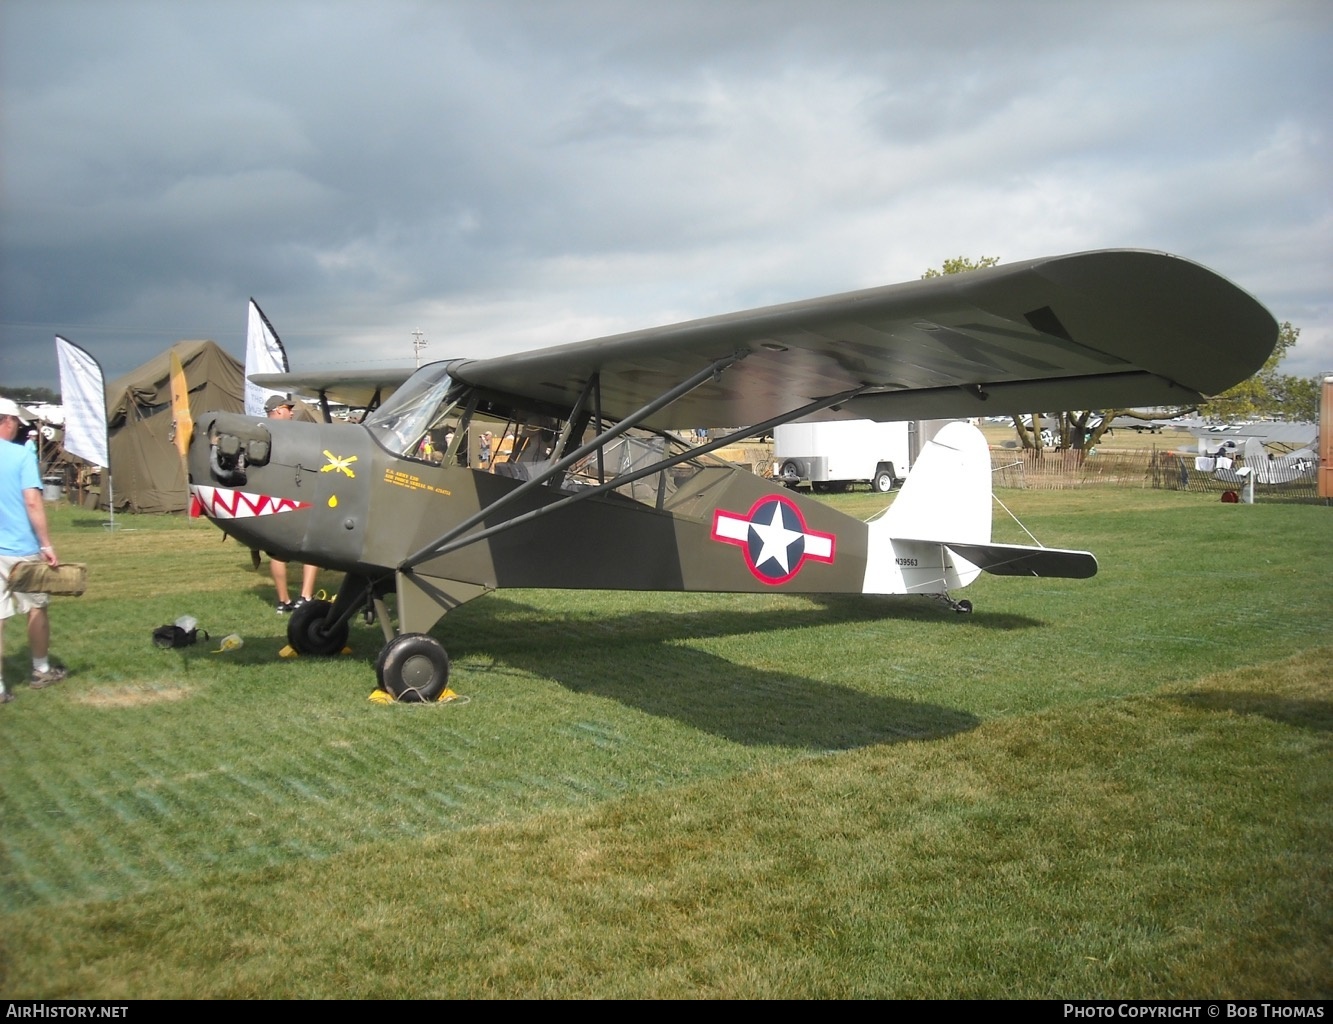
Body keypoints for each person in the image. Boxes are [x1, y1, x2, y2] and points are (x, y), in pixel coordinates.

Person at [0, 398, 66, 702]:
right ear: (8, 422)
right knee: (36, 607)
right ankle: (40, 669)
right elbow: (32, 501)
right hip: (21, 547)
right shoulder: (20, 455)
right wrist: (46, 544)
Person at [264, 395, 318, 613]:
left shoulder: (261, 432)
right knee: (312, 547)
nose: (292, 412)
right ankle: (305, 596)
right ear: (278, 410)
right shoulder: (289, 435)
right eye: (288, 408)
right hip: (293, 496)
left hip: (273, 498)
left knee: (276, 551)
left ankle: (284, 601)